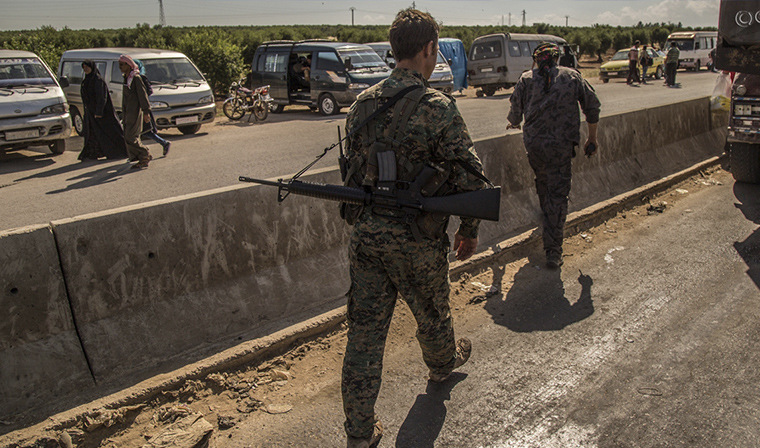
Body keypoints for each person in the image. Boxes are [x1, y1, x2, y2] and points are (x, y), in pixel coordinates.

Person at [341, 8, 487, 447]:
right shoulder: (438, 108)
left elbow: (352, 172)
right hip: (416, 240)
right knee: (431, 310)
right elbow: (471, 177)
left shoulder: (361, 104)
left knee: (364, 337)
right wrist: (469, 228)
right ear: (428, 50)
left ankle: (359, 434)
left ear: (392, 50)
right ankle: (442, 364)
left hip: (367, 238)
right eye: (435, 48)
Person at [506, 43, 601, 268]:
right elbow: (592, 107)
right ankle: (553, 250)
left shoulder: (526, 79)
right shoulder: (573, 77)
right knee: (558, 197)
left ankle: (547, 220)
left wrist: (514, 122)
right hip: (561, 150)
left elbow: (514, 116)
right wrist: (592, 138)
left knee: (543, 183)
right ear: (557, 59)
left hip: (535, 149)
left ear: (536, 60)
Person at [77, 60, 127, 161]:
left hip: (103, 114)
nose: (85, 69)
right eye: (84, 68)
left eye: (87, 67)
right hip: (91, 113)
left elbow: (101, 97)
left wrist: (99, 112)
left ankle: (122, 151)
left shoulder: (98, 80)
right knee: (92, 133)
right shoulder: (87, 80)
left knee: (109, 132)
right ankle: (92, 154)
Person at [118, 54, 153, 169]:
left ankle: (144, 154)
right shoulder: (126, 78)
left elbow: (142, 95)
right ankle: (143, 154)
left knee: (131, 137)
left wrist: (146, 112)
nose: (120, 67)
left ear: (129, 65)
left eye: (122, 64)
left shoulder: (136, 78)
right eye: (119, 65)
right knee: (127, 135)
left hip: (135, 111)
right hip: (127, 112)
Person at [135, 59, 170, 157]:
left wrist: (142, 96)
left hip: (142, 108)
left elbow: (149, 91)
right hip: (139, 108)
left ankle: (141, 152)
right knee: (143, 132)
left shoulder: (140, 77)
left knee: (142, 132)